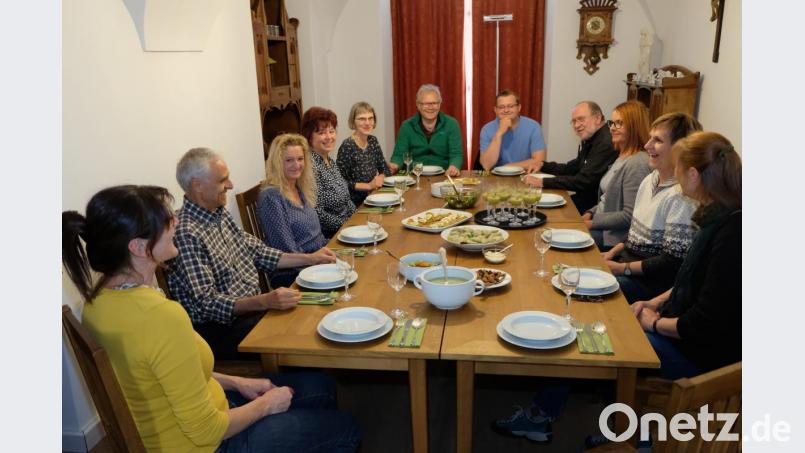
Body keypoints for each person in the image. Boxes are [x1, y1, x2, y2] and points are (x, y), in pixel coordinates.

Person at [62, 185, 361, 453]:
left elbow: (171, 372)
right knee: (346, 427)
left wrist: (238, 382)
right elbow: (207, 431)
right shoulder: (160, 316)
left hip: (195, 415)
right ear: (139, 247)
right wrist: (265, 404)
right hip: (204, 443)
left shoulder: (96, 302)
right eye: (166, 221)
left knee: (321, 386)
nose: (176, 222)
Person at [167, 148, 336, 360]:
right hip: (224, 329)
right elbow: (206, 304)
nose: (230, 185)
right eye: (223, 180)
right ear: (197, 185)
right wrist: (265, 301)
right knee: (306, 333)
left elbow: (260, 252)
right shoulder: (186, 233)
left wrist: (312, 258)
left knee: (316, 314)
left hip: (253, 311)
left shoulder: (218, 214)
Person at [632, 131, 741, 379]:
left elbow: (704, 322)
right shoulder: (716, 216)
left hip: (703, 359)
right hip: (685, 335)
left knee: (619, 342)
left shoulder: (733, 234)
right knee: (619, 325)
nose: (676, 176)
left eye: (678, 168)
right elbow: (689, 280)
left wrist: (654, 324)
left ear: (693, 174)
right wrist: (654, 303)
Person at [602, 113, 702, 303]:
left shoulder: (681, 197)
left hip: (651, 284)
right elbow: (635, 234)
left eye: (657, 140)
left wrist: (621, 268)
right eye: (650, 138)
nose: (647, 145)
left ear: (680, 148)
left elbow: (671, 264)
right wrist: (612, 252)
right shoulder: (650, 179)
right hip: (628, 265)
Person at [256, 134, 329, 288]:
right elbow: (285, 249)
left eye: (300, 159)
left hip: (315, 263)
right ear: (277, 163)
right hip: (291, 275)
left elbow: (316, 235)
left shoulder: (298, 186)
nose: (297, 165)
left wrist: (329, 251)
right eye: (289, 160)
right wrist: (317, 262)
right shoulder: (271, 197)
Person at [524, 101, 618, 213]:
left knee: (537, 210)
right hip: (585, 201)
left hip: (594, 208)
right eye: (574, 121)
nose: (576, 125)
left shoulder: (606, 142)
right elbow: (573, 167)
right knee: (531, 206)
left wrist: (543, 182)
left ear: (597, 118)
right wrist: (543, 165)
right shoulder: (591, 137)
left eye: (581, 119)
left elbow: (584, 181)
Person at [583, 101, 652, 250]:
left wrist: (592, 223)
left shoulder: (638, 162)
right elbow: (608, 198)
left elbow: (629, 215)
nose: (612, 128)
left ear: (634, 126)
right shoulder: (622, 155)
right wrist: (590, 212)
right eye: (612, 123)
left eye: (619, 123)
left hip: (612, 237)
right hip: (600, 226)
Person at [301, 106, 357, 238]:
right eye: (321, 133)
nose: (328, 137)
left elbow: (346, 200)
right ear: (309, 137)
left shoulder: (329, 161)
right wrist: (347, 225)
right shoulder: (310, 166)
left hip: (345, 229)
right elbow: (317, 213)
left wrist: (358, 218)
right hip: (328, 236)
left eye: (331, 131)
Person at [390, 84, 463, 176]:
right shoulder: (407, 126)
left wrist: (454, 166)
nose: (431, 107)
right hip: (414, 176)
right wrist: (394, 165)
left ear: (440, 104)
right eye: (426, 104)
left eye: (434, 103)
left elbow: (456, 154)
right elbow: (399, 155)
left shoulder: (452, 124)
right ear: (418, 105)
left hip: (444, 176)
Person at [336, 101, 392, 207]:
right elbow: (340, 182)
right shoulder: (347, 146)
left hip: (374, 197)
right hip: (354, 204)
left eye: (370, 118)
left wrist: (381, 177)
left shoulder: (373, 141)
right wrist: (368, 186)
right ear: (353, 122)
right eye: (362, 119)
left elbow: (385, 169)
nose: (367, 123)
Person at [479, 89, 546, 172]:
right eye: (501, 107)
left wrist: (508, 167)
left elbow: (539, 161)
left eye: (511, 106)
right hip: (496, 177)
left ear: (519, 108)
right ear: (495, 110)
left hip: (526, 174)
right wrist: (499, 133)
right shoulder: (487, 129)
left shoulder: (533, 126)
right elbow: (486, 165)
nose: (506, 110)